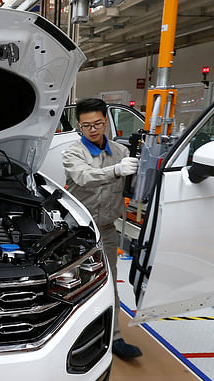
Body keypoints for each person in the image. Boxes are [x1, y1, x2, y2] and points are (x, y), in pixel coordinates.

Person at [61, 98, 142, 359]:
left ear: (106, 122)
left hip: (106, 229)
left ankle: (114, 337)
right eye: (86, 126)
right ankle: (69, 339)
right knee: (73, 284)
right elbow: (84, 176)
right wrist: (117, 171)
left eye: (97, 123)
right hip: (77, 231)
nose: (93, 129)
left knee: (110, 284)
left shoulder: (121, 152)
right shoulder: (72, 153)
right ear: (79, 127)